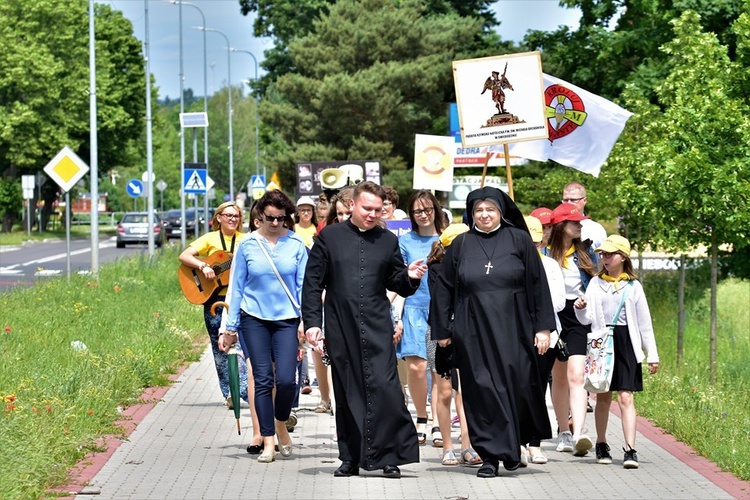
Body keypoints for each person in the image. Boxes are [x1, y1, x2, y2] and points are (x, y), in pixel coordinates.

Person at [302, 181, 428, 479]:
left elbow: (396, 281)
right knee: (346, 393)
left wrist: (409, 275)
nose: (372, 214)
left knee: (386, 390)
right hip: (340, 325)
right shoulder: (329, 237)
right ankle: (349, 457)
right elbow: (312, 285)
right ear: (353, 206)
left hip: (376, 325)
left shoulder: (387, 240)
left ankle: (389, 457)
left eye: (377, 210)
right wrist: (312, 325)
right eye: (366, 208)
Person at [433, 186, 555, 478]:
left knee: (514, 386)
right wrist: (443, 330)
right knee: (480, 390)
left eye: (490, 209)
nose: (484, 214)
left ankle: (511, 449)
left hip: (514, 326)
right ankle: (489, 456)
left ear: (501, 211)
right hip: (472, 327)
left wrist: (543, 328)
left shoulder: (519, 240)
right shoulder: (462, 244)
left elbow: (538, 285)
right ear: (471, 213)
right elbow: (444, 289)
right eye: (478, 210)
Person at [219, 190, 309, 463]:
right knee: (262, 379)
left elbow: (305, 286)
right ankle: (268, 441)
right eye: (270, 217)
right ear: (259, 217)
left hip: (286, 320)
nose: (275, 223)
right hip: (253, 319)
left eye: (281, 218)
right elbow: (235, 288)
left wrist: (307, 320)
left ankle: (281, 421)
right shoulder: (247, 245)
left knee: (285, 380)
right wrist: (229, 328)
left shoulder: (296, 244)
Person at [574, 234, 659, 468]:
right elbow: (587, 319)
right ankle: (601, 443)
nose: (604, 258)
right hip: (602, 343)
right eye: (602, 254)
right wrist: (579, 308)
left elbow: (644, 324)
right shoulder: (595, 283)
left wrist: (652, 354)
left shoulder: (633, 286)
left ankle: (630, 449)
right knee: (602, 396)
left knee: (625, 396)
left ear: (623, 257)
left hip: (626, 343)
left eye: (609, 254)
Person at [178, 201, 249, 410]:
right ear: (219, 218)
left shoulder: (246, 240)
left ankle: (246, 389)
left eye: (236, 216)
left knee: (243, 345)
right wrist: (203, 265)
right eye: (228, 215)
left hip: (240, 300)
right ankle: (228, 393)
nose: (232, 219)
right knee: (220, 349)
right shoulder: (209, 239)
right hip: (214, 301)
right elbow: (184, 255)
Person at [425, 223, 482, 467]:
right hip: (441, 332)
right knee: (445, 390)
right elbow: (440, 301)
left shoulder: (476, 267)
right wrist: (443, 334)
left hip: (469, 332)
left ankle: (468, 445)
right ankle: (447, 446)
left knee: (466, 391)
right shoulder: (437, 269)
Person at [394, 190, 446, 445]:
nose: (423, 215)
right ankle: (422, 416)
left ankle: (439, 420)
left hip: (441, 310)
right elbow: (398, 281)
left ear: (436, 209)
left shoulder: (448, 239)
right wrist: (395, 315)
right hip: (413, 308)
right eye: (417, 211)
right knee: (417, 367)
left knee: (439, 369)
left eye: (427, 209)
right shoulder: (405, 242)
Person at [547, 202, 599, 457]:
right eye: (575, 222)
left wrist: (587, 299)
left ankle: (579, 432)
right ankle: (563, 431)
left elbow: (596, 284)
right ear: (560, 226)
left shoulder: (587, 252)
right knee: (558, 378)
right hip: (554, 317)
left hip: (579, 317)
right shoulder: (544, 255)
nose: (580, 225)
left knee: (577, 376)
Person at [523, 215, 567, 465]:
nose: (533, 247)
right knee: (517, 388)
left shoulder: (550, 266)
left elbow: (560, 302)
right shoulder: (512, 264)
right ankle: (517, 440)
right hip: (516, 335)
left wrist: (537, 301)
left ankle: (535, 443)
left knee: (538, 389)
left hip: (546, 335)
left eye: (537, 242)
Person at [562, 182, 607, 250]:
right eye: (565, 200)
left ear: (584, 200)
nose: (569, 203)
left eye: (573, 200)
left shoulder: (596, 230)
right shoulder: (556, 226)